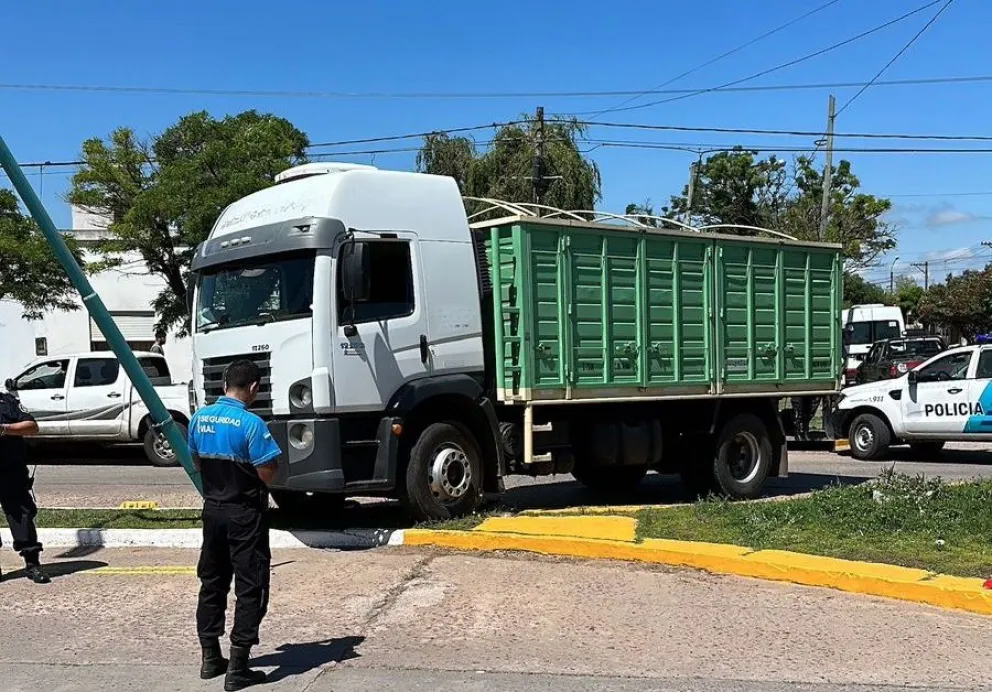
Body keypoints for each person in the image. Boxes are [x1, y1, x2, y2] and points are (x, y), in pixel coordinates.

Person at [188, 359, 281, 690]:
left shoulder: (199, 419)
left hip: (212, 511)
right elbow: (269, 470)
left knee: (212, 582)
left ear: (225, 383)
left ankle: (210, 657)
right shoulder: (251, 424)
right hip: (244, 514)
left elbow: (196, 462)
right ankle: (239, 666)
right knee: (250, 586)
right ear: (253, 387)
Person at [0, 390, 51, 584]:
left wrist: (4, 429)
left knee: (21, 515)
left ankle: (32, 564)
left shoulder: (7, 401)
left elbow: (32, 426)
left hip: (11, 470)